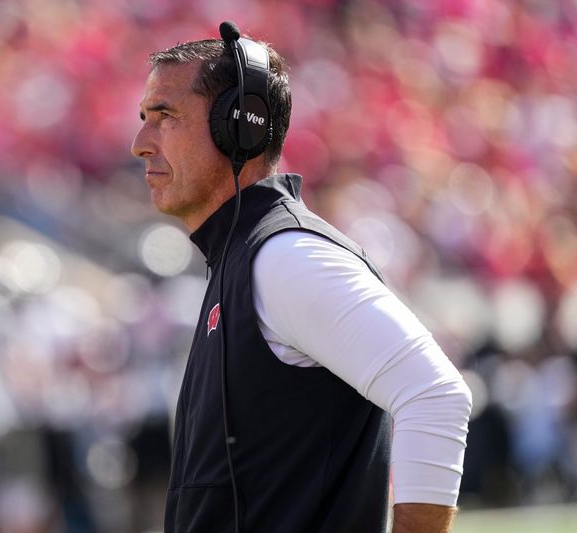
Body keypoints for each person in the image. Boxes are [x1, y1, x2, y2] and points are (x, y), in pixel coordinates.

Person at [131, 24, 472, 533]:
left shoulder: (286, 257)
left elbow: (435, 394)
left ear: (239, 127)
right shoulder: (246, 257)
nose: (140, 143)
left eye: (165, 117)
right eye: (144, 118)